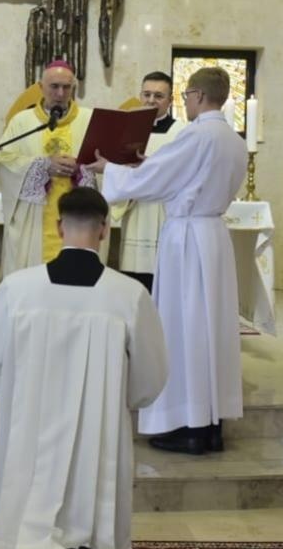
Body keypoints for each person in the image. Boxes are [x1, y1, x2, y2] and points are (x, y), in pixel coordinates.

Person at [0, 187, 168, 549]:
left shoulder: (16, 290)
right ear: (104, 230)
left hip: (30, 440)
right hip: (97, 441)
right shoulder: (128, 295)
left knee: (34, 520)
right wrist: (111, 405)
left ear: (59, 227)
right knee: (93, 530)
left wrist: (26, 403)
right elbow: (149, 380)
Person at [93, 66, 247, 455]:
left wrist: (108, 169)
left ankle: (188, 425)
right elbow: (175, 171)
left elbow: (157, 179)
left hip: (188, 240)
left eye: (184, 97)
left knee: (184, 329)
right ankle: (211, 425)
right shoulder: (232, 139)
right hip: (213, 238)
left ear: (196, 96)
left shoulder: (197, 134)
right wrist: (148, 165)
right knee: (211, 331)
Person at [0, 59, 95, 275]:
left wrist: (80, 168)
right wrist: (41, 166)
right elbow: (4, 162)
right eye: (54, 86)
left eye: (66, 87)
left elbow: (103, 163)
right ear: (41, 87)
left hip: (77, 218)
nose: (60, 93)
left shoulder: (89, 120)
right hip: (34, 221)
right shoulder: (22, 122)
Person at [111, 71, 184, 291]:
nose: (151, 100)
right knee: (133, 283)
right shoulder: (127, 129)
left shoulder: (181, 131)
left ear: (170, 101)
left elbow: (183, 172)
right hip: (135, 212)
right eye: (147, 94)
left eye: (159, 96)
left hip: (163, 213)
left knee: (162, 281)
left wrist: (148, 168)